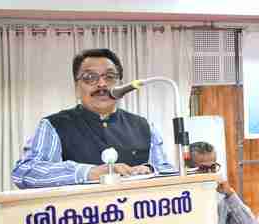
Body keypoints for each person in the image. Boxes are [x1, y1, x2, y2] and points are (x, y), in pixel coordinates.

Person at [12, 48, 174, 188]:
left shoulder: (143, 125)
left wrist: (149, 170)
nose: (102, 84)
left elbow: (167, 171)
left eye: (109, 76)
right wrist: (89, 172)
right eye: (90, 77)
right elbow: (24, 172)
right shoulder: (54, 125)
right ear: (77, 87)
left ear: (120, 85)